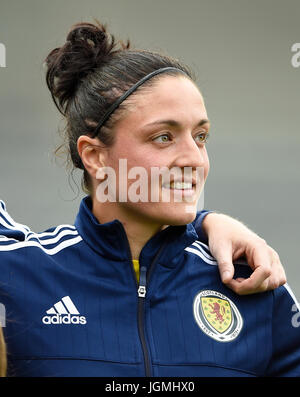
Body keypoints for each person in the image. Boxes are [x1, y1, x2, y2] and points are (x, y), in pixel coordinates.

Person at [0, 20, 297, 377]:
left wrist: (205, 220)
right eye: (163, 137)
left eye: (200, 136)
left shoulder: (255, 286)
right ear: (95, 157)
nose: (194, 159)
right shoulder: (18, 274)